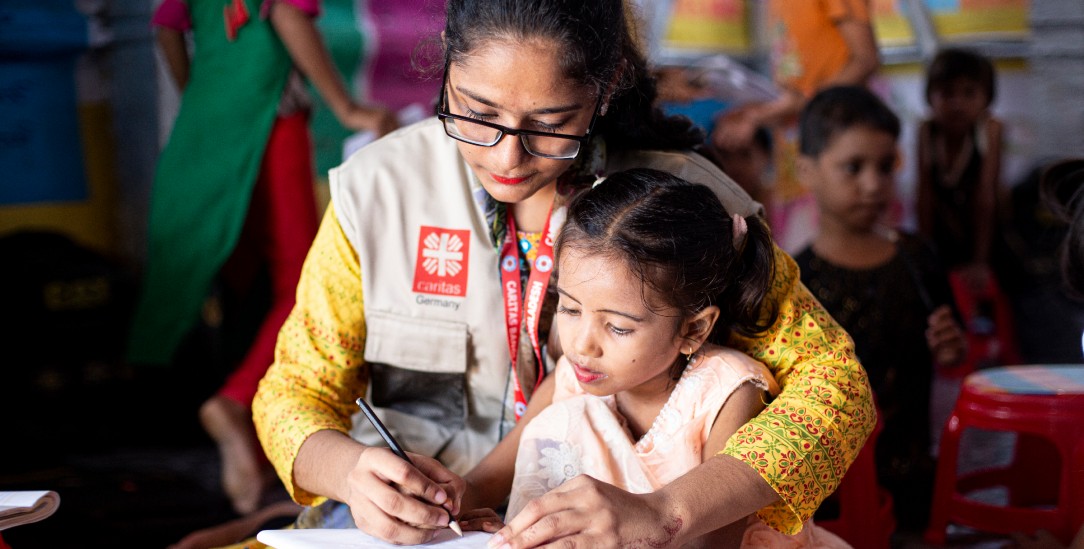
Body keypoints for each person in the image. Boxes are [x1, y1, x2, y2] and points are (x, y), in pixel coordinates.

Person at [252, 1, 876, 546]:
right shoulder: (378, 188)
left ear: (605, 90)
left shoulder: (685, 204)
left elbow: (838, 390)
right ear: (446, 64)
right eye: (475, 111)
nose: (506, 156)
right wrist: (351, 473)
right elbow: (291, 393)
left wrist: (668, 511)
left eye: (549, 125)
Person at [453, 168, 851, 547]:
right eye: (571, 309)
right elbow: (483, 484)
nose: (582, 345)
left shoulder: (727, 392)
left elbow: (710, 546)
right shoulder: (573, 377)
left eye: (619, 328)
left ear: (693, 330)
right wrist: (446, 497)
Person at [133, 0, 398, 517]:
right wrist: (346, 107)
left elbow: (166, 25)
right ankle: (233, 403)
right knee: (298, 283)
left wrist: (199, 94)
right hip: (269, 115)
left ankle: (254, 445)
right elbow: (284, 12)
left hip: (210, 123)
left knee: (240, 279)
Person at [792, 86, 967, 530]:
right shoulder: (796, 281)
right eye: (853, 167)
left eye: (885, 167)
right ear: (806, 170)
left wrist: (951, 350)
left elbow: (955, 350)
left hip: (913, 479)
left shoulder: (916, 257)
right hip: (831, 496)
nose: (873, 185)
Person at [711, 0, 879, 254]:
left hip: (837, 146)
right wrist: (755, 112)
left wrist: (786, 108)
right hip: (797, 153)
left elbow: (865, 60)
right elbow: (796, 87)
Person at [917, 47, 1003, 284]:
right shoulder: (927, 131)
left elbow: (987, 198)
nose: (957, 104)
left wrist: (980, 262)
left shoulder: (989, 129)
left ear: (987, 98)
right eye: (947, 93)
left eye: (969, 93)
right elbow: (924, 198)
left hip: (985, 236)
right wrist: (926, 255)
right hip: (943, 235)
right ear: (930, 97)